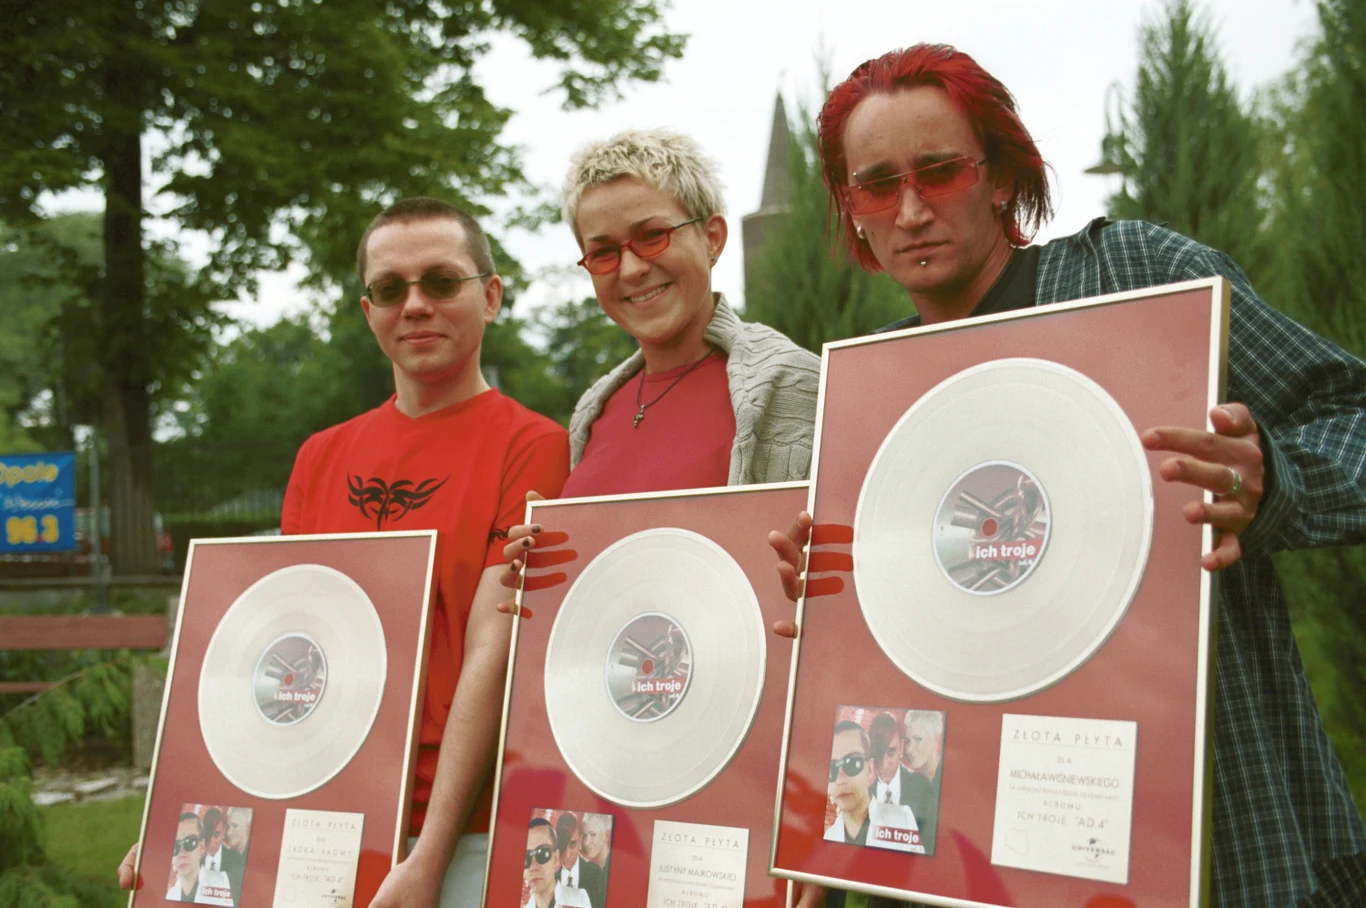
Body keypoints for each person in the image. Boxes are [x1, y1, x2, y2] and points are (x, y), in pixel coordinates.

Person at [771, 42, 1366, 908]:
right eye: (875, 185)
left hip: (1210, 841)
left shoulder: (1135, 279)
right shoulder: (871, 400)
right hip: (975, 863)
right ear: (851, 209)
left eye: (938, 172)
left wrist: (1277, 480)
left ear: (1004, 176)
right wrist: (831, 601)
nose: (909, 210)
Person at [119, 198, 570, 907]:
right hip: (322, 813)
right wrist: (183, 806)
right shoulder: (321, 456)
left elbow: (495, 647)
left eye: (441, 281)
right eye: (391, 288)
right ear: (369, 312)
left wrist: (428, 857)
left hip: (460, 831)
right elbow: (284, 651)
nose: (415, 304)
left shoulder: (535, 446)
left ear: (491, 296)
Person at [500, 127, 822, 906]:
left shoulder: (793, 384)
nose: (632, 268)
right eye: (603, 251)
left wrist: (811, 840)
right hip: (613, 771)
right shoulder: (595, 409)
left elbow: (832, 616)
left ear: (712, 237)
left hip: (739, 790)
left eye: (652, 236)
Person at [869, 712, 937, 854]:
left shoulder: (923, 788)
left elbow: (930, 847)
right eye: (878, 753)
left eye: (891, 751)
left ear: (901, 747)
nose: (884, 764)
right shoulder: (865, 795)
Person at [826, 720, 877, 846]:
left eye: (853, 763)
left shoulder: (902, 822)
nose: (840, 779)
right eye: (832, 768)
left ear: (870, 770)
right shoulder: (829, 838)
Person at [166, 812, 232, 906]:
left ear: (202, 847)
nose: (181, 853)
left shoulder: (222, 884)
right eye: (175, 846)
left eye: (190, 842)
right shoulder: (170, 895)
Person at [555, 812, 606, 908]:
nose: (567, 855)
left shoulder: (596, 875)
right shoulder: (550, 877)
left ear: (580, 840)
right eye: (563, 845)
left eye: (572, 844)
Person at [200, 808, 244, 905]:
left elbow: (238, 898)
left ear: (224, 831)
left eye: (216, 834)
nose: (211, 842)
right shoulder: (196, 859)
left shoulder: (235, 859)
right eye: (208, 834)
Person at [524, 818, 562, 908]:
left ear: (556, 859)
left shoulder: (580, 900)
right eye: (526, 858)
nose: (533, 867)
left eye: (542, 854)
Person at [580, 813, 612, 879]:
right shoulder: (589, 870)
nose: (586, 843)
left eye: (593, 834)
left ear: (606, 835)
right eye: (585, 836)